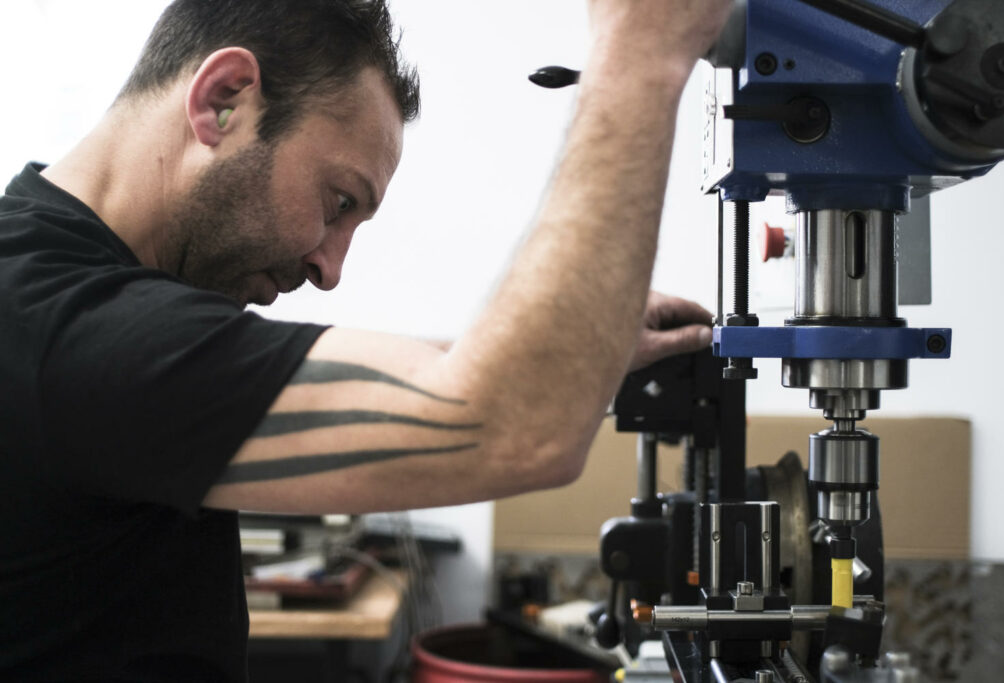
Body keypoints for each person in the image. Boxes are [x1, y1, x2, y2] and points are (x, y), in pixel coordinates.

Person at [0, 0, 732, 679]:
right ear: (224, 99)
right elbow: (514, 427)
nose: (330, 267)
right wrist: (639, 54)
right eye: (338, 201)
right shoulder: (63, 331)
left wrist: (579, 348)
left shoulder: (57, 287)